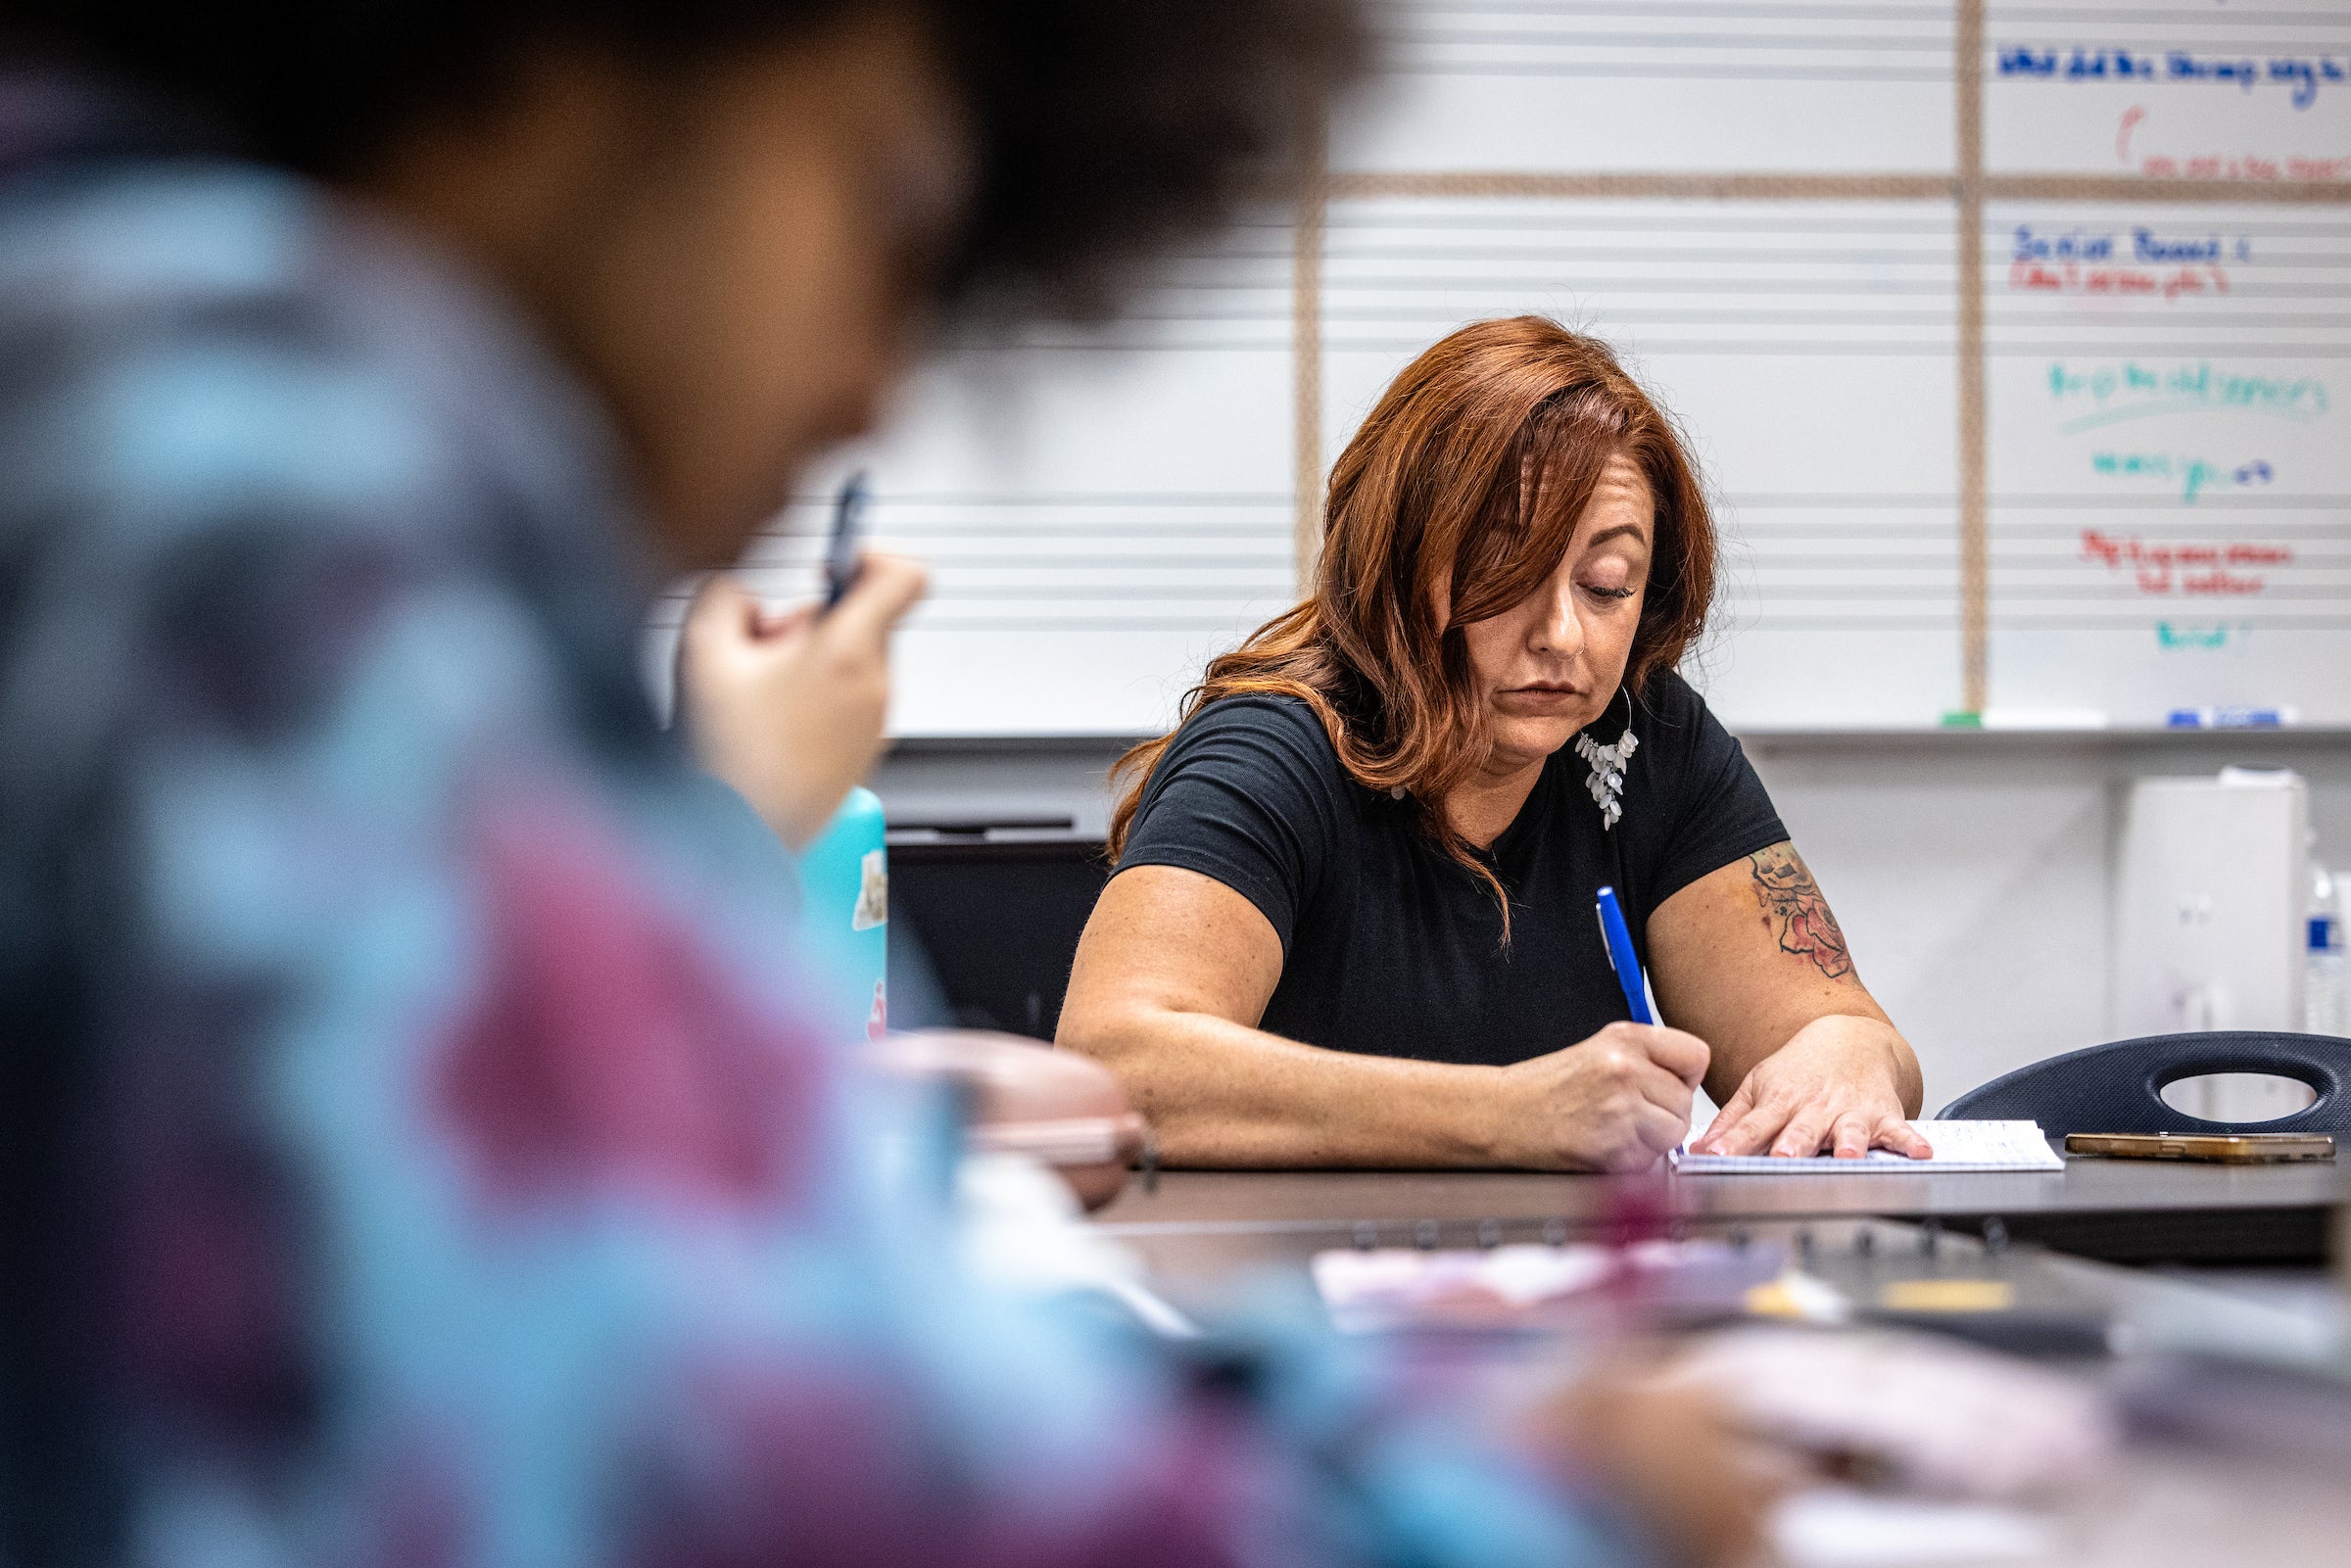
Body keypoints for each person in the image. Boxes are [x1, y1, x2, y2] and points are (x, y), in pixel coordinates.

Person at [0, 6, 1780, 1566]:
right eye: (887, 197)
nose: (866, 383)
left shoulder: (127, 348)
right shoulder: (256, 491)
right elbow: (736, 1453)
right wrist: (1536, 1495)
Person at [1059, 317, 1926, 1171]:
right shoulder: (1274, 748)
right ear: (1400, 562)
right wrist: (1512, 1114)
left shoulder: (1643, 738)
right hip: (1292, 1287)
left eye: (1606, 586)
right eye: (1507, 576)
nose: (1562, 634)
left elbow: (1840, 1030)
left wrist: (1849, 1053)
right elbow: (1111, 1069)